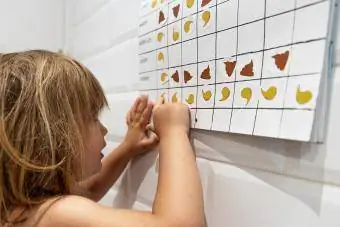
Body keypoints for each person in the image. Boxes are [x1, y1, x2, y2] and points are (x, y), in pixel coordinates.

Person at [0, 50, 205, 227]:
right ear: (49, 138)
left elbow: (90, 189)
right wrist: (173, 132)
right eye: (92, 118)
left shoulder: (18, 207)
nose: (104, 129)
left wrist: (127, 148)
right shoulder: (51, 215)